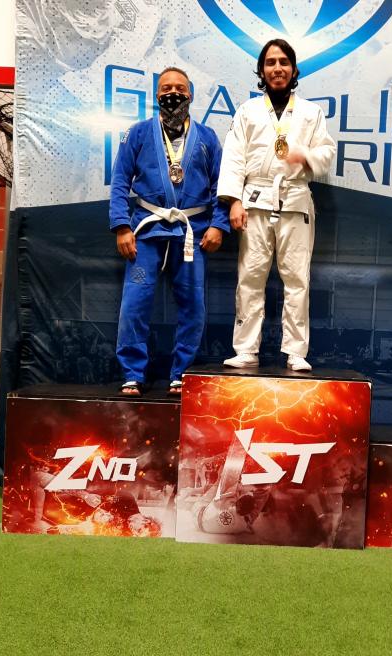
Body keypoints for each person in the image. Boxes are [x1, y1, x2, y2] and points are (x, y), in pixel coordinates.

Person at [218, 39, 335, 372]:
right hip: (255, 200)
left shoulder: (311, 112)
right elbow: (234, 158)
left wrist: (305, 156)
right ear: (261, 71)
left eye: (284, 62)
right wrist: (234, 201)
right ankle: (246, 349)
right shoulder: (247, 111)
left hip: (295, 199)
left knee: (297, 279)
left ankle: (296, 351)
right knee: (250, 276)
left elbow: (327, 154)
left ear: (294, 70)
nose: (277, 68)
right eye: (270, 62)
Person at [110, 67, 229, 395]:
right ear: (156, 95)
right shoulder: (137, 133)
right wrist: (121, 225)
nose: (172, 93)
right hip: (146, 230)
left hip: (192, 233)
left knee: (193, 306)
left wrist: (218, 225)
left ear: (190, 94)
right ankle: (132, 372)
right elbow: (120, 180)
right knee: (134, 303)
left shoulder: (207, 138)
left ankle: (182, 373)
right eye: (165, 88)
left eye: (179, 88)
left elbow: (221, 186)